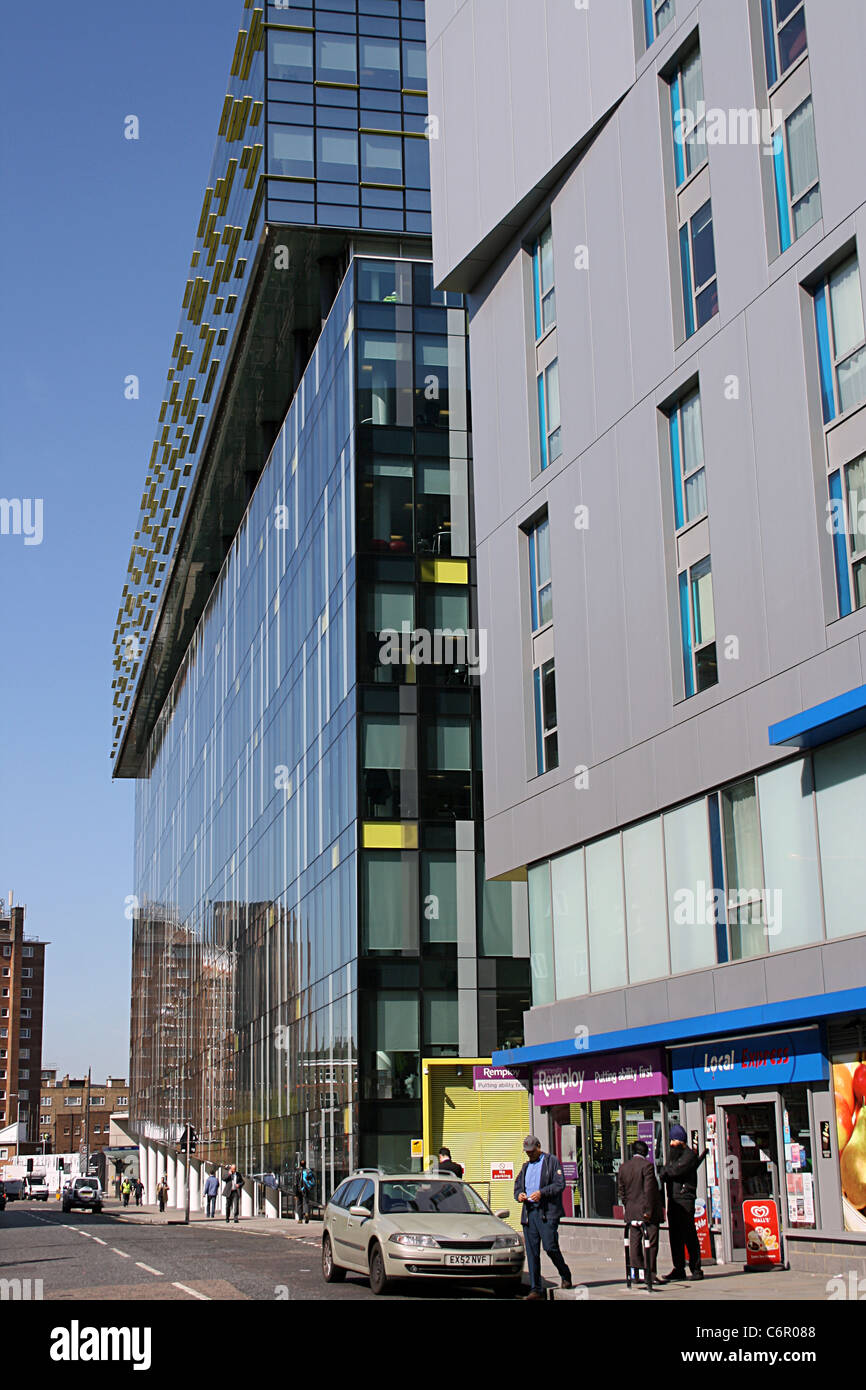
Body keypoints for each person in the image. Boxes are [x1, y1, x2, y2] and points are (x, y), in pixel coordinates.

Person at [513, 1135, 572, 1300]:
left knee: (550, 1247)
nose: (529, 1155)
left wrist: (542, 1193)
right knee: (532, 1252)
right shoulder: (525, 1167)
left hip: (546, 1213)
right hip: (529, 1212)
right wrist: (519, 1195)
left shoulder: (551, 1162)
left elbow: (560, 1184)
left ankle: (565, 1273)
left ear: (539, 1147)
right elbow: (517, 1186)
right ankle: (535, 1288)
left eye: (532, 1151)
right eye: (527, 1152)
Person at [660, 1125, 708, 1282]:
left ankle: (696, 1268)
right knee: (675, 1235)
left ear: (680, 1141)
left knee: (689, 1234)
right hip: (673, 1199)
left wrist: (667, 1171)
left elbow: (673, 1171)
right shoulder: (675, 1155)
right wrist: (666, 1171)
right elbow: (665, 1171)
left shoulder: (688, 1156)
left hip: (685, 1199)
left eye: (673, 1140)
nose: (671, 1143)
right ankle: (678, 1268)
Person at [617, 1140, 665, 1285]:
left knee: (635, 1242)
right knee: (651, 1243)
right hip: (647, 1212)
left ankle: (636, 1273)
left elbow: (621, 1191)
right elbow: (649, 1190)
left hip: (631, 1211)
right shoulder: (647, 1166)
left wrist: (628, 1205)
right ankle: (649, 1274)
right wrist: (648, 1211)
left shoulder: (624, 1167)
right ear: (646, 1152)